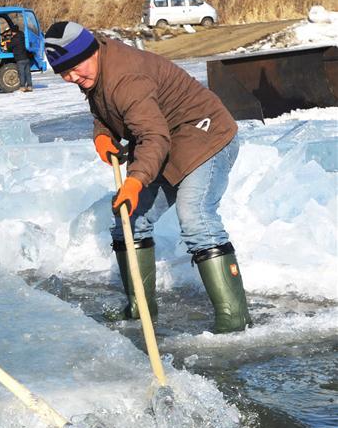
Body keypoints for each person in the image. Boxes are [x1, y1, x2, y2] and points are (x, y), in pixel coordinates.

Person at [43, 21, 251, 332]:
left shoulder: (126, 77)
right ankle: (140, 306)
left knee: (195, 216)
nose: (72, 77)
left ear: (89, 52)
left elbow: (153, 136)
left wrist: (136, 180)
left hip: (207, 136)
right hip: (168, 143)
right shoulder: (96, 65)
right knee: (130, 217)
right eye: (64, 72)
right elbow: (105, 107)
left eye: (75, 68)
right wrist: (102, 135)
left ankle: (234, 319)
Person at [6, 24, 33, 92]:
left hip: (20, 59)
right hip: (26, 57)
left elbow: (9, 47)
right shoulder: (22, 36)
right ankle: (30, 86)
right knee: (27, 73)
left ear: (13, 32)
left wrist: (7, 43)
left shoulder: (15, 39)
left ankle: (22, 87)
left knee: (21, 73)